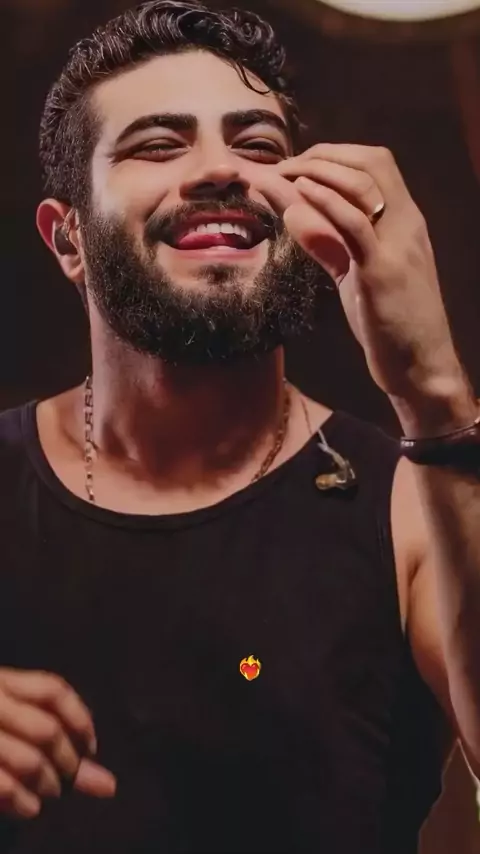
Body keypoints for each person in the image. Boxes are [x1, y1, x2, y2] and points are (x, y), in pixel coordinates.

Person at [0, 0, 479, 851]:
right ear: (67, 239)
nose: (222, 169)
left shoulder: (415, 501)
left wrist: (434, 391)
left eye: (258, 146)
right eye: (159, 144)